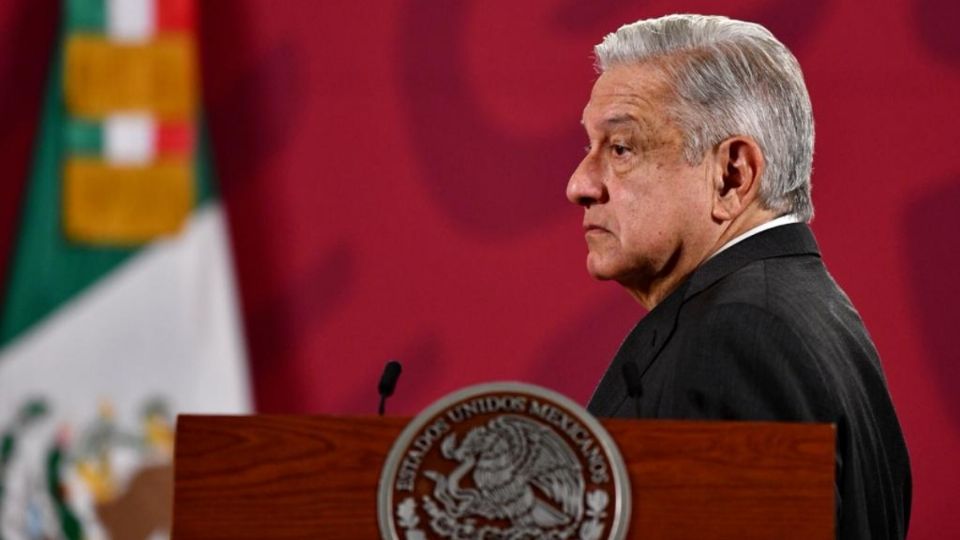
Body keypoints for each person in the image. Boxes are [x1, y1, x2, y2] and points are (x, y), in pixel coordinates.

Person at [566, 14, 910, 539]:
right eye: (589, 148)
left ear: (732, 175)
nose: (580, 184)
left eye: (621, 149)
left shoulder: (739, 335)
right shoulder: (806, 309)